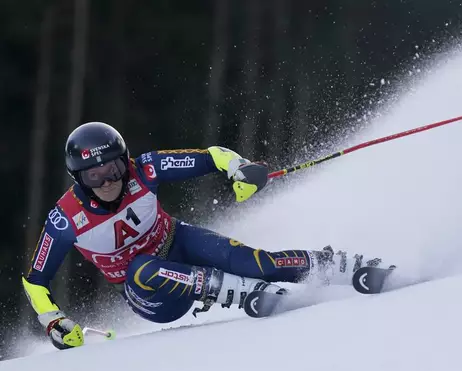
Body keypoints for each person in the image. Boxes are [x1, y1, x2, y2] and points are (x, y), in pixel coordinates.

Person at [22, 122, 384, 350]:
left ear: (125, 160)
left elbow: (212, 156)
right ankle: (240, 293)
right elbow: (35, 280)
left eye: (113, 169)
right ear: (78, 179)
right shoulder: (65, 219)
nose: (109, 182)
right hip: (151, 294)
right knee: (142, 268)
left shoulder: (144, 169)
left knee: (256, 262)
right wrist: (53, 321)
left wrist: (239, 168)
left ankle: (344, 265)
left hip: (177, 241)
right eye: (94, 176)